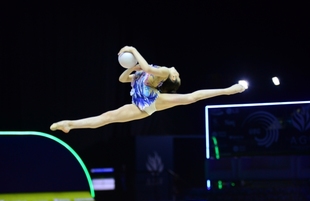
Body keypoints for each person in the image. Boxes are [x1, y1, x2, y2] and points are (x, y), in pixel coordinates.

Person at [50, 46, 246, 133]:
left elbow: (147, 68)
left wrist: (133, 50)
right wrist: (132, 67)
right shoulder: (144, 75)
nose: (177, 71)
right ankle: (70, 124)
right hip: (137, 104)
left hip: (151, 103)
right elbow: (122, 79)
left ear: (171, 78)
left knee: (190, 98)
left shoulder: (162, 72)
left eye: (177, 75)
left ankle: (228, 90)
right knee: (106, 117)